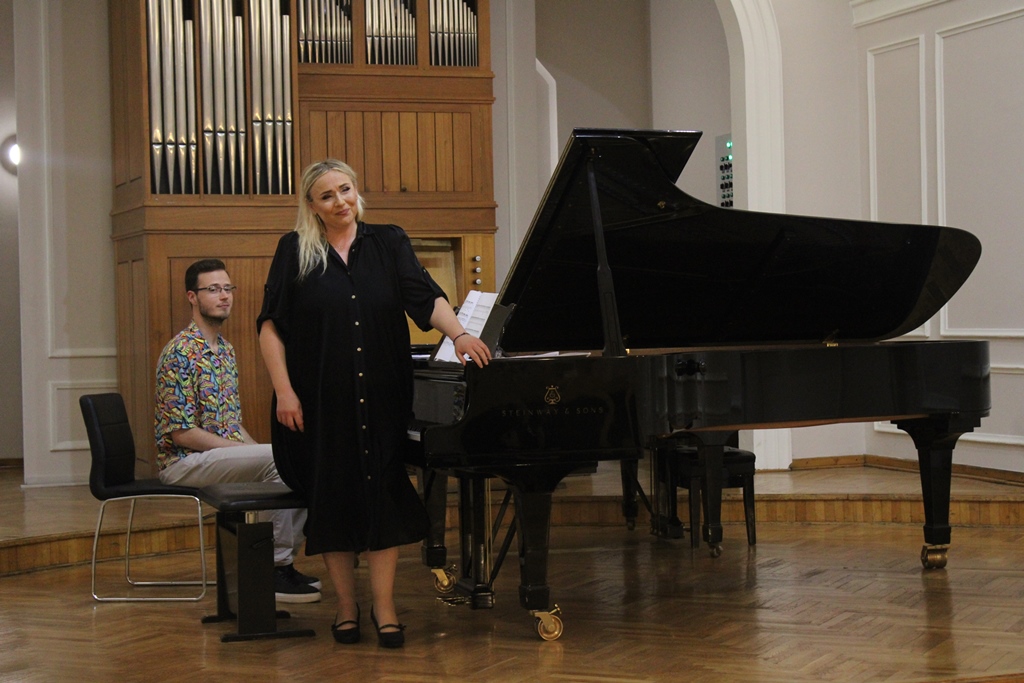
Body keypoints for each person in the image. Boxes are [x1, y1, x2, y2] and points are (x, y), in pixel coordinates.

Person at [258, 159, 491, 648]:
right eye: (327, 195)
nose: (340, 201)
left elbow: (426, 298)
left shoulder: (388, 242)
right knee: (334, 500)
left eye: (345, 189)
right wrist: (284, 391)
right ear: (312, 205)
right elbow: (271, 327)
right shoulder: (294, 250)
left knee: (382, 497)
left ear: (356, 191)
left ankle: (384, 607)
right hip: (321, 401)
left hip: (383, 396)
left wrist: (460, 334)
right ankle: (346, 607)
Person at [155, 258, 321, 604]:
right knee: (279, 460)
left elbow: (231, 424)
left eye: (227, 288)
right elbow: (182, 434)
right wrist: (248, 453)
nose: (224, 296)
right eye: (213, 289)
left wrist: (257, 449)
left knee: (295, 457)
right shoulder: (180, 353)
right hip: (183, 462)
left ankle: (282, 562)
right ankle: (272, 567)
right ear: (192, 297)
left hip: (215, 456)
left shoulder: (225, 350)